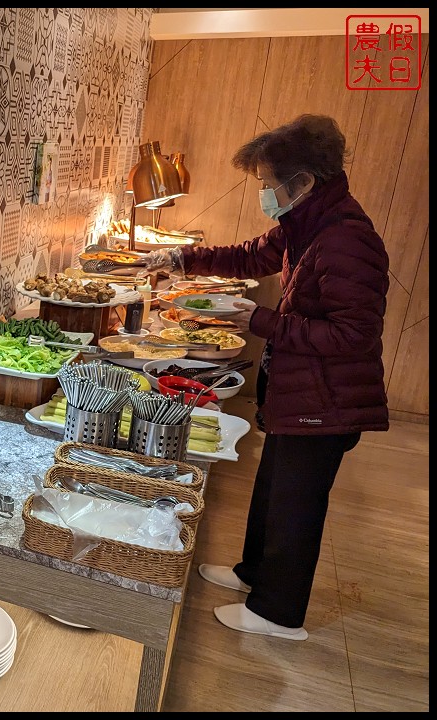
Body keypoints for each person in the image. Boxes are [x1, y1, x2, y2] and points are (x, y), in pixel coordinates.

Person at [143, 114, 390, 641]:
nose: (264, 194)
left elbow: (352, 337)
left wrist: (255, 319)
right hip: (299, 392)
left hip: (326, 401)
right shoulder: (308, 224)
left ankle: (278, 613)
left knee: (297, 509)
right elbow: (254, 255)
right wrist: (183, 258)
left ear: (301, 181)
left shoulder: (347, 239)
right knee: (272, 490)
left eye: (267, 184)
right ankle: (251, 574)